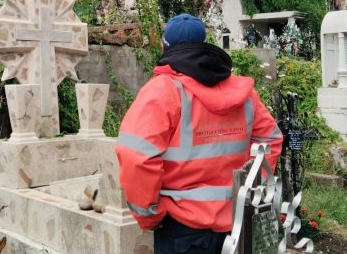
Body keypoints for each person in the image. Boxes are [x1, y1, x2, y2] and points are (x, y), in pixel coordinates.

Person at [116, 13, 283, 253]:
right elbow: (271, 140)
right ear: (204, 42)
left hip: (182, 229)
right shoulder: (244, 93)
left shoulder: (163, 91)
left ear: (165, 45)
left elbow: (136, 157)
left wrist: (150, 215)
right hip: (236, 225)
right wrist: (252, 194)